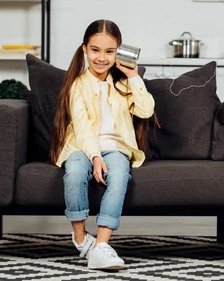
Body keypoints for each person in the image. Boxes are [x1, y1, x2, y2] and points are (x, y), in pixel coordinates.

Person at [50, 19, 155, 270]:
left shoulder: (122, 84)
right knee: (74, 171)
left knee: (119, 175)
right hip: (81, 145)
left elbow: (146, 110)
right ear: (85, 49)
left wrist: (133, 76)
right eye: (95, 50)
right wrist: (95, 156)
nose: (101, 57)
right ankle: (80, 238)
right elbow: (83, 127)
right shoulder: (77, 84)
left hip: (116, 146)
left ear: (118, 51)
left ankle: (101, 245)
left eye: (110, 51)